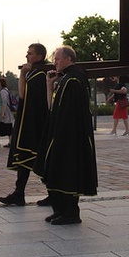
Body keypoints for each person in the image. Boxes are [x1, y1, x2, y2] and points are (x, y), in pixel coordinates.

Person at [34, 45, 97, 225]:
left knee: (68, 170)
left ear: (68, 59)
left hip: (70, 136)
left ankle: (70, 212)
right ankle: (60, 209)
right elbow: (53, 109)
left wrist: (60, 137)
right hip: (60, 133)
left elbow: (70, 114)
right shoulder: (66, 79)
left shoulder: (74, 80)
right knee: (55, 169)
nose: (54, 62)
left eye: (58, 59)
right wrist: (49, 84)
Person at [0, 43, 50, 207]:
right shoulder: (35, 72)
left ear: (39, 57)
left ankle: (52, 193)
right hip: (30, 121)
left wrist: (22, 74)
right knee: (26, 158)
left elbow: (23, 95)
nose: (27, 56)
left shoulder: (39, 74)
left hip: (34, 123)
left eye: (30, 53)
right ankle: (19, 193)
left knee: (35, 156)